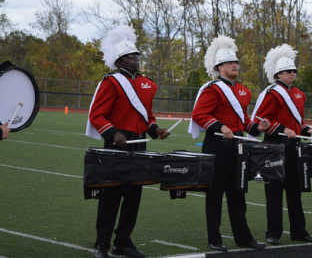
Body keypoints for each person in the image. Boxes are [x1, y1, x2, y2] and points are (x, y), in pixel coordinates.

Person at [86, 25, 170, 258]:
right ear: (120, 61)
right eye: (130, 57)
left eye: (137, 56)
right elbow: (96, 115)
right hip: (116, 144)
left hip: (139, 143)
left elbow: (147, 116)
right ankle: (101, 243)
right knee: (111, 196)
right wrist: (113, 133)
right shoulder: (111, 82)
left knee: (134, 196)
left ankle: (123, 241)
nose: (136, 59)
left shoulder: (148, 84)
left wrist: (155, 130)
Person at [189, 35, 268, 252]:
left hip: (237, 147)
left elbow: (243, 120)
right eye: (230, 63)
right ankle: (214, 238)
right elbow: (199, 114)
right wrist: (220, 126)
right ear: (219, 67)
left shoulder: (243, 91)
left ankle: (243, 237)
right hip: (217, 146)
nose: (235, 65)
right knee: (215, 195)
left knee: (238, 193)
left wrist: (257, 127)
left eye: (236, 63)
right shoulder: (212, 89)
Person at [250, 44, 312, 245]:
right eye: (289, 71)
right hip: (274, 145)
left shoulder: (299, 94)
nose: (293, 74)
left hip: (294, 146)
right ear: (279, 74)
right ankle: (273, 232)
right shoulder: (272, 92)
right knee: (274, 189)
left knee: (295, 190)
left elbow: (297, 124)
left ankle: (299, 231)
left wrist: (309, 131)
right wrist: (281, 129)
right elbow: (261, 119)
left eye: (294, 71)